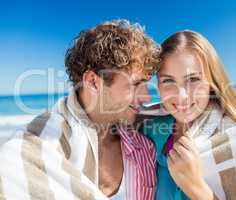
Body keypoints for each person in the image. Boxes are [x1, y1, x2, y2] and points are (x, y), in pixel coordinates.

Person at [0, 19, 159, 200]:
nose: (147, 97)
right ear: (93, 82)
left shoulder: (144, 143)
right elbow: (12, 166)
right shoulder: (43, 141)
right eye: (137, 84)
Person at [142, 30, 236, 199]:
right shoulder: (147, 130)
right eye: (168, 81)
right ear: (158, 86)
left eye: (193, 80)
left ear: (212, 81)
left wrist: (197, 189)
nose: (181, 96)